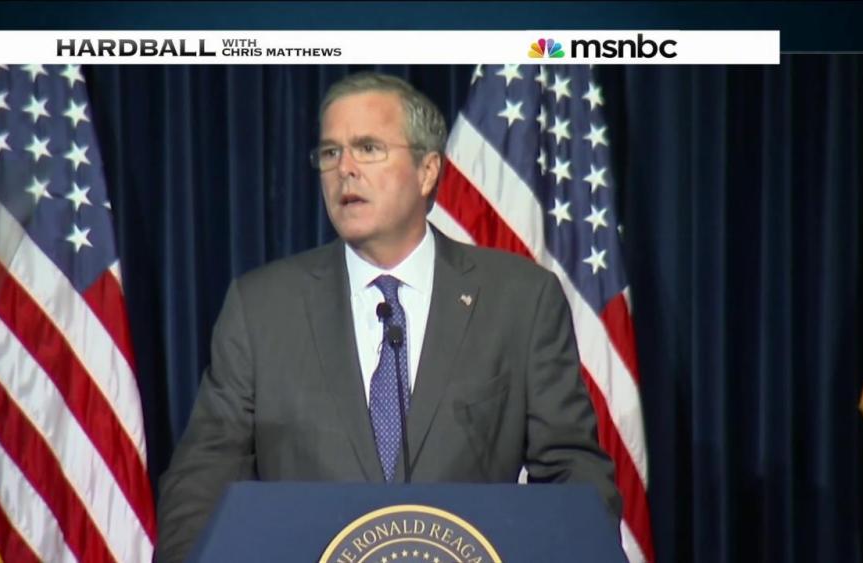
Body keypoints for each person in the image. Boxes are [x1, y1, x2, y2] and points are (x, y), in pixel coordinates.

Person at [155, 72, 622, 562]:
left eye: (368, 148)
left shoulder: (519, 301)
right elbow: (201, 479)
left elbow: (574, 473)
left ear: (427, 171)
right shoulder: (261, 309)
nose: (345, 169)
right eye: (330, 153)